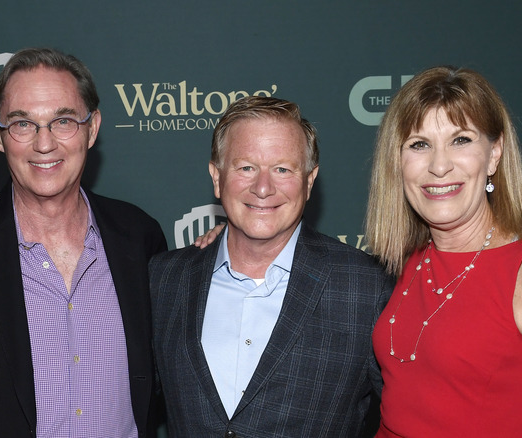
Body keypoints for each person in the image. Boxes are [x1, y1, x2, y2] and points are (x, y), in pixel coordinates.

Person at [0, 48, 167, 438]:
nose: (44, 144)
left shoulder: (140, 237)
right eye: (23, 124)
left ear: (92, 128)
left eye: (63, 121)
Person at [149, 96, 394, 437]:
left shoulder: (366, 287)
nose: (263, 187)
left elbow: (412, 418)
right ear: (217, 177)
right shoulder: (164, 280)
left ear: (309, 181)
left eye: (282, 169)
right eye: (246, 167)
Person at [366, 66, 522, 436]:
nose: (440, 165)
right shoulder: (407, 259)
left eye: (460, 140)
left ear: (494, 154)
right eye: (419, 144)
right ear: (397, 163)